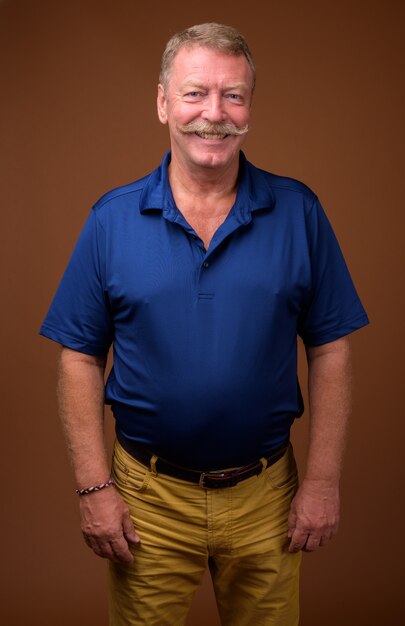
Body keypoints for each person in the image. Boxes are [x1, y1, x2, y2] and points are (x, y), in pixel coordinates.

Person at [40, 22, 368, 626]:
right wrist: (94, 489)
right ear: (163, 101)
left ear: (249, 107)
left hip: (268, 495)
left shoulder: (299, 211)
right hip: (147, 500)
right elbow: (78, 357)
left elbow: (331, 350)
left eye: (232, 95)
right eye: (194, 94)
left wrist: (322, 483)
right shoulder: (111, 221)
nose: (212, 114)